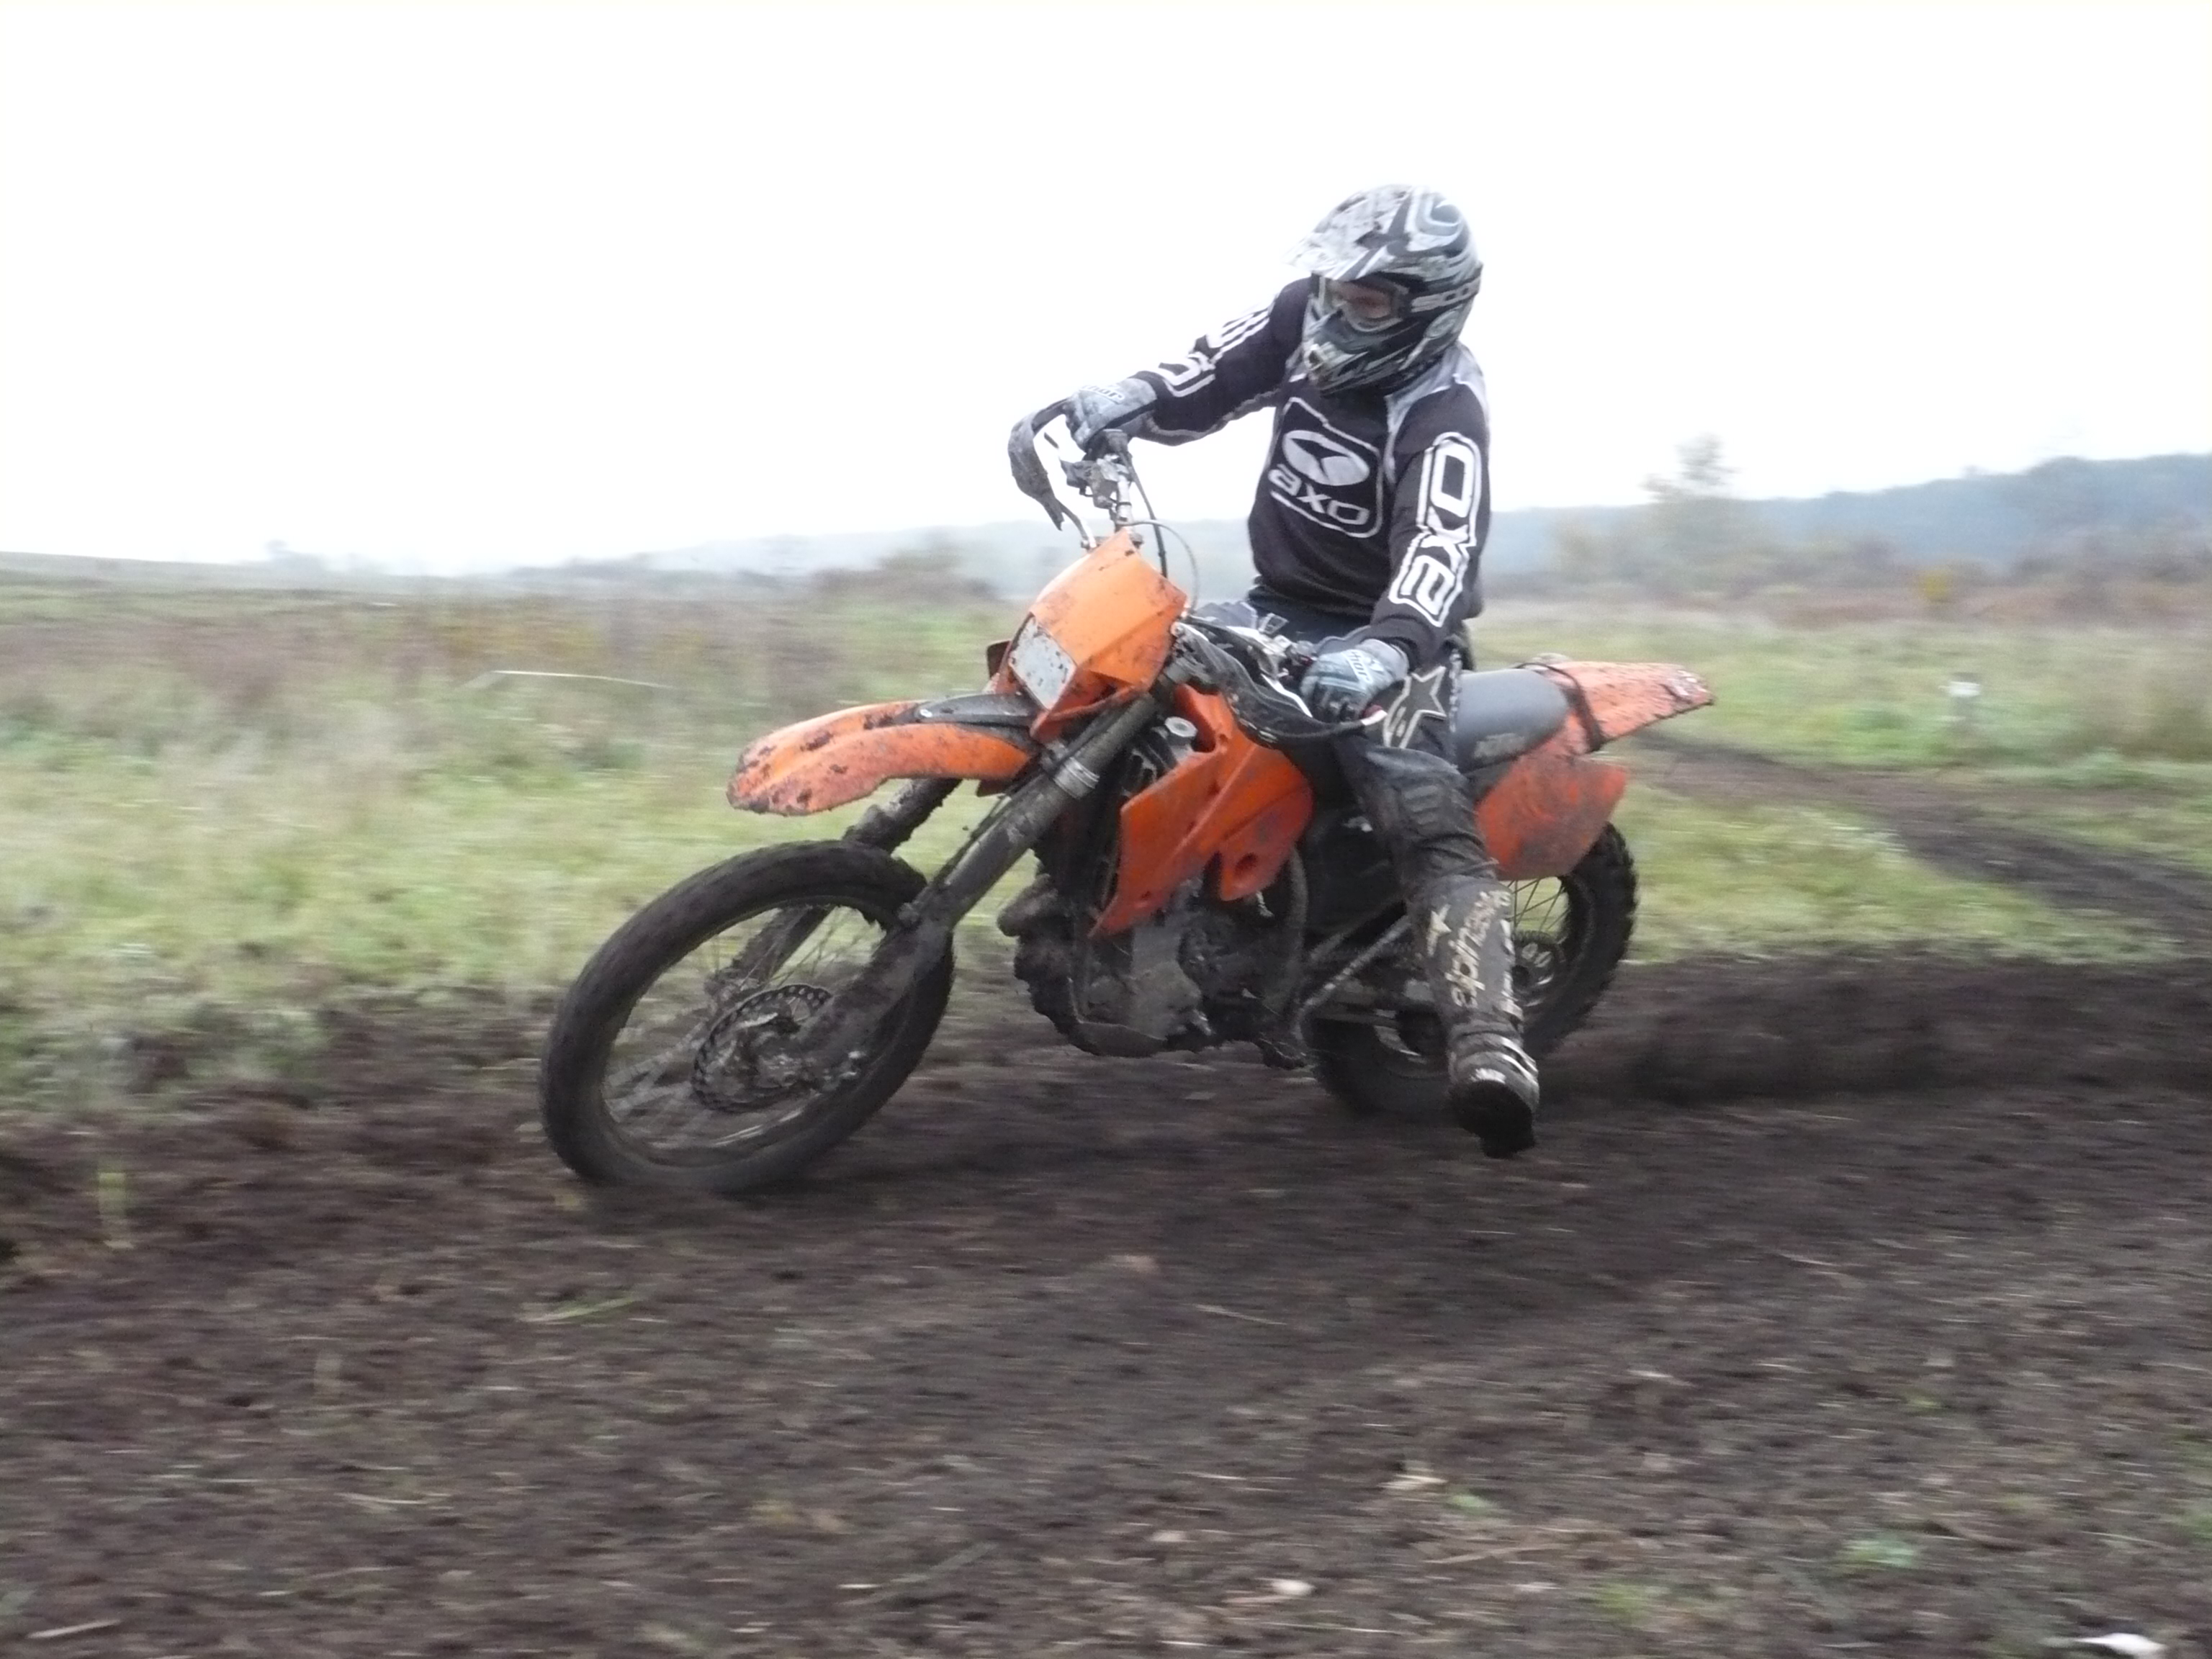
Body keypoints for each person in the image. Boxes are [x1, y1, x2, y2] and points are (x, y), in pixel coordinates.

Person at [1024, 184, 1537, 1158]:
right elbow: (1210, 374)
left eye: (1367, 302)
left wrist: (1384, 650)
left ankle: (1489, 1039)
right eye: (1336, 289)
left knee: (1424, 816)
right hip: (1276, 605)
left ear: (1428, 310)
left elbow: (1440, 548)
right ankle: (1111, 893)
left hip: (1389, 642)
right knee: (1123, 686)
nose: (1339, 313)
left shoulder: (1444, 415)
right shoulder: (1306, 315)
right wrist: (1127, 400)